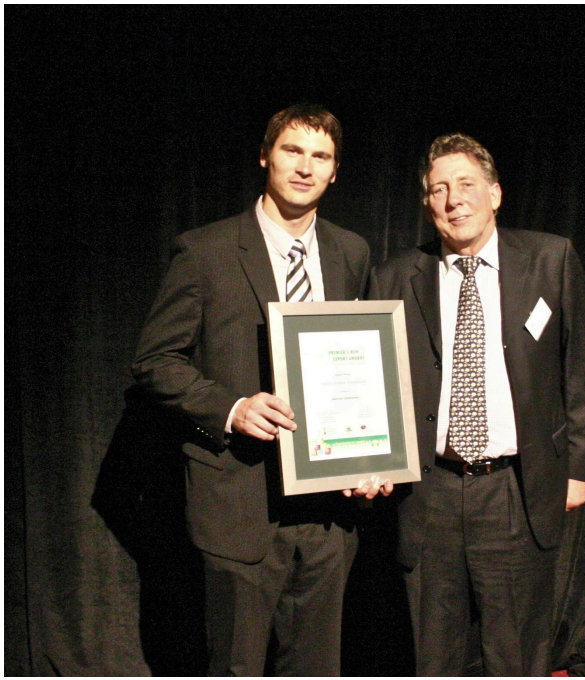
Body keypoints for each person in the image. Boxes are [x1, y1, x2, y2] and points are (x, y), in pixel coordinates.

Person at [132, 103, 385, 676]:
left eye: (320, 156)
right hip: (239, 504)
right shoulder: (205, 251)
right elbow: (154, 360)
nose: (305, 167)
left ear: (335, 172)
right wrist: (232, 407)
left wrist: (372, 456)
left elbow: (365, 367)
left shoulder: (351, 252)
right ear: (266, 156)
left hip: (328, 513)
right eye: (293, 150)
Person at [368, 133, 585, 676]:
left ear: (495, 194)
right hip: (429, 492)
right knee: (434, 656)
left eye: (467, 184)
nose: (454, 200)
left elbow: (582, 371)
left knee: (515, 654)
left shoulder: (550, 259)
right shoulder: (393, 277)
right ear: (427, 205)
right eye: (439, 189)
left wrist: (578, 468)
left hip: (515, 489)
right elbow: (375, 382)